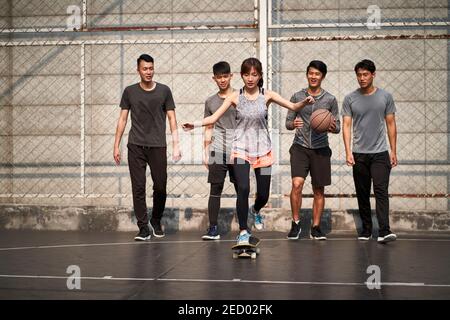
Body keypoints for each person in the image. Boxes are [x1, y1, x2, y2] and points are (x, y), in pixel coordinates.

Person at [183, 57, 314, 246]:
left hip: (264, 150)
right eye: (246, 74)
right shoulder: (235, 96)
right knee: (243, 188)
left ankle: (257, 210)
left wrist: (304, 102)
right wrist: (193, 124)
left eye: (254, 74)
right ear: (242, 76)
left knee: (263, 195)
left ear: (259, 75)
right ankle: (243, 231)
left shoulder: (266, 95)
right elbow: (213, 118)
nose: (250, 78)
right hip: (240, 149)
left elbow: (293, 106)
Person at [114, 54, 181, 241]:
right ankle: (143, 227)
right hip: (135, 145)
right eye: (145, 69)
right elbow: (122, 119)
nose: (148, 72)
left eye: (151, 68)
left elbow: (172, 118)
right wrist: (116, 145)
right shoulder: (129, 92)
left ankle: (156, 220)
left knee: (160, 186)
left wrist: (176, 145)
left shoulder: (164, 91)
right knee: (138, 187)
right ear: (138, 70)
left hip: (158, 146)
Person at [342, 59, 398, 243]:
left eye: (365, 74)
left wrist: (393, 151)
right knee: (362, 192)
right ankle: (366, 230)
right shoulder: (350, 98)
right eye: (359, 75)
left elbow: (391, 124)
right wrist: (348, 151)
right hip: (359, 153)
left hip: (381, 152)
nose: (362, 78)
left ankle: (384, 230)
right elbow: (347, 125)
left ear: (373, 75)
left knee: (381, 190)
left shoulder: (385, 97)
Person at [285, 60, 340, 241]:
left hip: (320, 149)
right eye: (310, 73)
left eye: (317, 74)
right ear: (307, 74)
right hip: (300, 147)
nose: (313, 76)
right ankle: (296, 223)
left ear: (322, 76)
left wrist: (330, 126)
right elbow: (288, 122)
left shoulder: (330, 99)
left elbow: (337, 126)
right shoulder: (297, 96)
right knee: (296, 184)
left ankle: (315, 227)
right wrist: (294, 124)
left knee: (319, 190)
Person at [202, 61, 238, 240]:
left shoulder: (241, 97)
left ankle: (244, 229)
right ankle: (213, 228)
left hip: (239, 150)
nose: (222, 80)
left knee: (242, 189)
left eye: (225, 76)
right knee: (215, 188)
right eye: (219, 77)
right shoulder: (210, 101)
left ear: (231, 76)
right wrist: (205, 151)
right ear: (214, 78)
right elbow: (208, 126)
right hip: (218, 150)